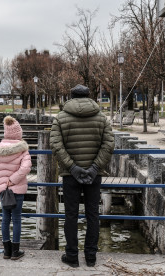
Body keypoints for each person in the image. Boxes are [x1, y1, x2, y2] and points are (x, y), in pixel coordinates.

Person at [50, 84, 114, 268]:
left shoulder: (61, 118)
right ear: (89, 95)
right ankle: (91, 257)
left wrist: (72, 167)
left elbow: (56, 145)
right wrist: (94, 168)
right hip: (94, 175)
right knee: (92, 214)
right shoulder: (101, 118)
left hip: (71, 175)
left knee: (71, 215)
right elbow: (108, 144)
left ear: (71, 96)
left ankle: (72, 256)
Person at [0, 116, 32, 260]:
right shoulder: (22, 149)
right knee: (17, 219)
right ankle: (15, 251)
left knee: (5, 219)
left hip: (3, 190)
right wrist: (13, 180)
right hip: (17, 189)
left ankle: (6, 251)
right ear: (18, 133)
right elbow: (26, 167)